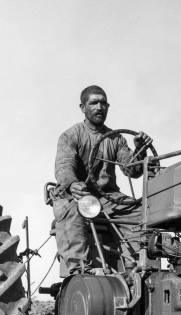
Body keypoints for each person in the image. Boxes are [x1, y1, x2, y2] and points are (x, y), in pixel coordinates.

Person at [52, 85, 151, 277]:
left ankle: (139, 267)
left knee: (140, 211)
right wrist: (73, 184)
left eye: (103, 103)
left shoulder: (116, 139)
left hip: (108, 198)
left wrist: (140, 150)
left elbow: (132, 170)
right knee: (72, 208)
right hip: (78, 195)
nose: (99, 107)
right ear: (82, 107)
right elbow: (64, 166)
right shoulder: (70, 136)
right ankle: (80, 271)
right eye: (94, 103)